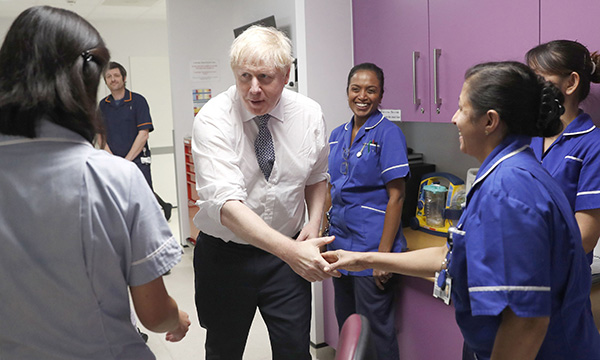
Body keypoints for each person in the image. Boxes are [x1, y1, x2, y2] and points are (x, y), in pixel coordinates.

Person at [323, 61, 600, 360]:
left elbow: (526, 321)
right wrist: (362, 258)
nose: (453, 118)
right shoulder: (509, 170)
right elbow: (450, 255)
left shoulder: (509, 188)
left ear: (490, 121)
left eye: (462, 109)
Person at [0, 6, 190, 359]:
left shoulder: (133, 114)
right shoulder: (114, 181)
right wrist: (175, 317)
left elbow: (142, 132)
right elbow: (155, 315)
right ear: (83, 81)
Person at [191, 25, 338, 359]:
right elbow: (226, 206)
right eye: (244, 77)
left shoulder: (309, 114)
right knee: (223, 350)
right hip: (226, 257)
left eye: (264, 78)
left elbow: (317, 176)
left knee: (294, 351)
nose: (253, 90)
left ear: (286, 75)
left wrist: (314, 223)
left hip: (286, 262)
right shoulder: (213, 119)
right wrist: (291, 251)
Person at [325, 62, 408, 360]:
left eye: (371, 90)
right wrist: (324, 233)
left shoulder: (388, 133)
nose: (362, 96)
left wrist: (383, 256)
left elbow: (397, 196)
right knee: (348, 326)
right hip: (340, 248)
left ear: (381, 94)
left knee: (377, 330)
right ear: (347, 92)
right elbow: (330, 187)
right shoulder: (337, 134)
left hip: (372, 247)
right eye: (356, 89)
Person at [526, 40, 600, 260]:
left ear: (571, 83)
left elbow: (585, 237)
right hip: (519, 277)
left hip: (561, 283)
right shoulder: (527, 136)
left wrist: (524, 256)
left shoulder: (593, 145)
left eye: (539, 80)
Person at [99, 61, 173, 220]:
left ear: (124, 78)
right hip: (114, 163)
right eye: (109, 77)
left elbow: (143, 134)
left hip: (138, 160)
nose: (113, 79)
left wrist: (126, 161)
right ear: (105, 81)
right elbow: (100, 136)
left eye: (116, 76)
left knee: (144, 199)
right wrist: (113, 161)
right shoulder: (103, 106)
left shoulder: (138, 101)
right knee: (119, 202)